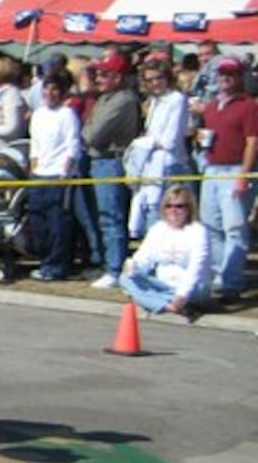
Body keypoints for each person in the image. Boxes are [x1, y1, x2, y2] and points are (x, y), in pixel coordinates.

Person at [196, 56, 257, 303]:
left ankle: (231, 281)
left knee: (234, 228)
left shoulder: (249, 105)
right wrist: (201, 139)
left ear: (240, 77)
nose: (225, 78)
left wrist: (244, 174)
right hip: (211, 169)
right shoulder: (211, 106)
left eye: (230, 74)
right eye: (222, 74)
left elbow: (253, 142)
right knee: (211, 226)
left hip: (234, 170)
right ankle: (221, 276)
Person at [80, 51, 141, 289]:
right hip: (99, 162)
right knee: (103, 217)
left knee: (111, 217)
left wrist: (89, 130)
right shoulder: (105, 98)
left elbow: (93, 134)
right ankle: (108, 263)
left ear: (118, 76)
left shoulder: (123, 100)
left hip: (111, 161)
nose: (99, 78)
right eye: (98, 73)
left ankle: (115, 268)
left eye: (105, 73)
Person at [120, 185, 211, 321]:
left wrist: (182, 295)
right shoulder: (158, 229)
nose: (173, 211)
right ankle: (169, 307)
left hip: (192, 288)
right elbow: (144, 258)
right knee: (125, 279)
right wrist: (134, 267)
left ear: (189, 208)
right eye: (169, 206)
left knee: (136, 292)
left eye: (179, 206)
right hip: (163, 285)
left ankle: (154, 303)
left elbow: (196, 268)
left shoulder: (198, 231)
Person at [25, 69, 82, 281]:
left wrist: (65, 172)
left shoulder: (67, 114)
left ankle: (57, 266)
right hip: (39, 175)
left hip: (58, 176)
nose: (50, 93)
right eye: (46, 89)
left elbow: (72, 145)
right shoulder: (38, 114)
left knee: (58, 224)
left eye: (55, 89)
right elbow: (35, 146)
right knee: (39, 224)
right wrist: (33, 170)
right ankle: (44, 261)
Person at [126, 59, 190, 238]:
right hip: (150, 165)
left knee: (164, 212)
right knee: (148, 208)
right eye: (149, 80)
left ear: (167, 77)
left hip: (170, 164)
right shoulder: (154, 102)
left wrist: (144, 143)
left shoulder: (177, 99)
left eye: (159, 78)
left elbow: (170, 139)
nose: (155, 83)